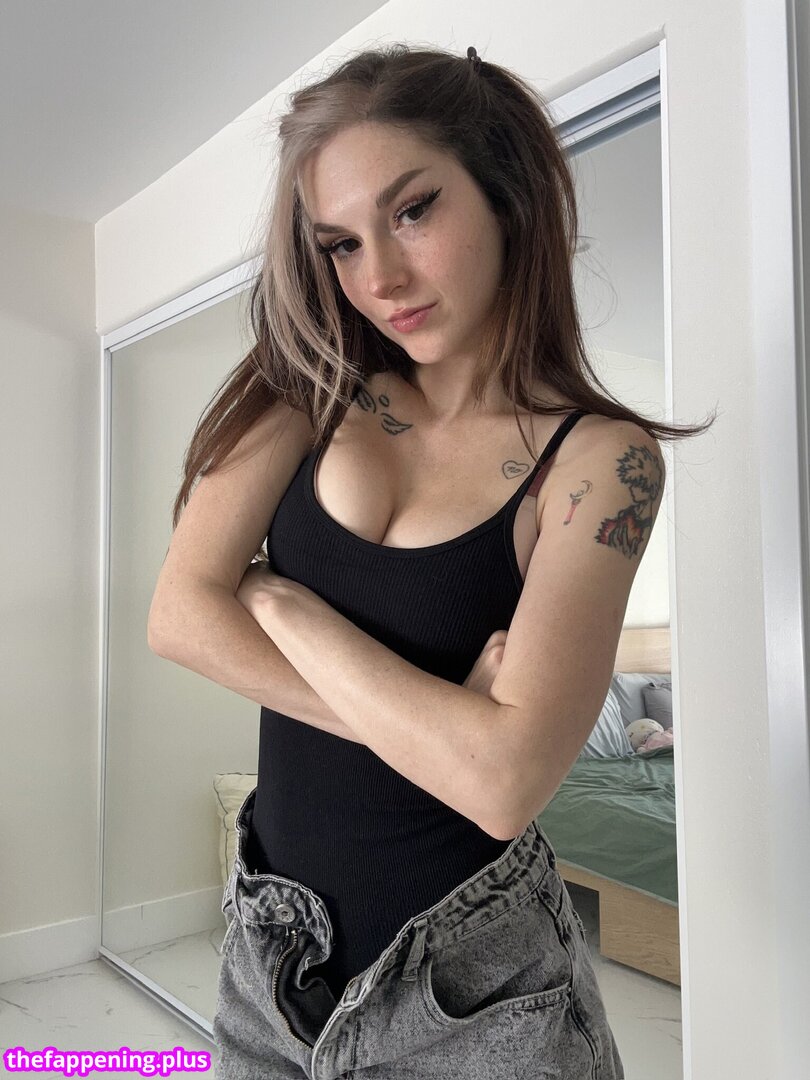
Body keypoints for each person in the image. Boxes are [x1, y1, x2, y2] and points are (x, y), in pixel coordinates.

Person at [149, 42, 715, 1080]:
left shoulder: (600, 461)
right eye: (341, 243)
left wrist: (282, 606)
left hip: (483, 997)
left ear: (505, 193)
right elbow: (180, 615)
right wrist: (440, 725)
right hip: (270, 963)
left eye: (413, 211)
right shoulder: (305, 382)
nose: (379, 279)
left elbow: (501, 786)